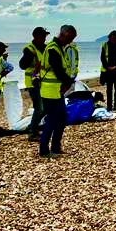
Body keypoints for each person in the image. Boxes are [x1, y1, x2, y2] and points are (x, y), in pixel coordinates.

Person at [39, 25, 78, 157]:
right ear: (64, 34)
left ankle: (55, 147)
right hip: (50, 90)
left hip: (57, 90)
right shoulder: (53, 49)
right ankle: (44, 150)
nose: (70, 41)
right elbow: (58, 70)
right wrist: (68, 82)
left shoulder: (60, 48)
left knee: (61, 118)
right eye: (70, 38)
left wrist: (67, 83)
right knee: (52, 120)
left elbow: (62, 70)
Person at [19, 27, 49, 142]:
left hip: (42, 82)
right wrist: (30, 58)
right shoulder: (29, 49)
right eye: (43, 36)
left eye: (45, 36)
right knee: (39, 108)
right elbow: (22, 65)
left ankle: (34, 127)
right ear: (35, 36)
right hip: (32, 82)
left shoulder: (44, 48)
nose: (45, 38)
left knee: (45, 108)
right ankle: (32, 132)